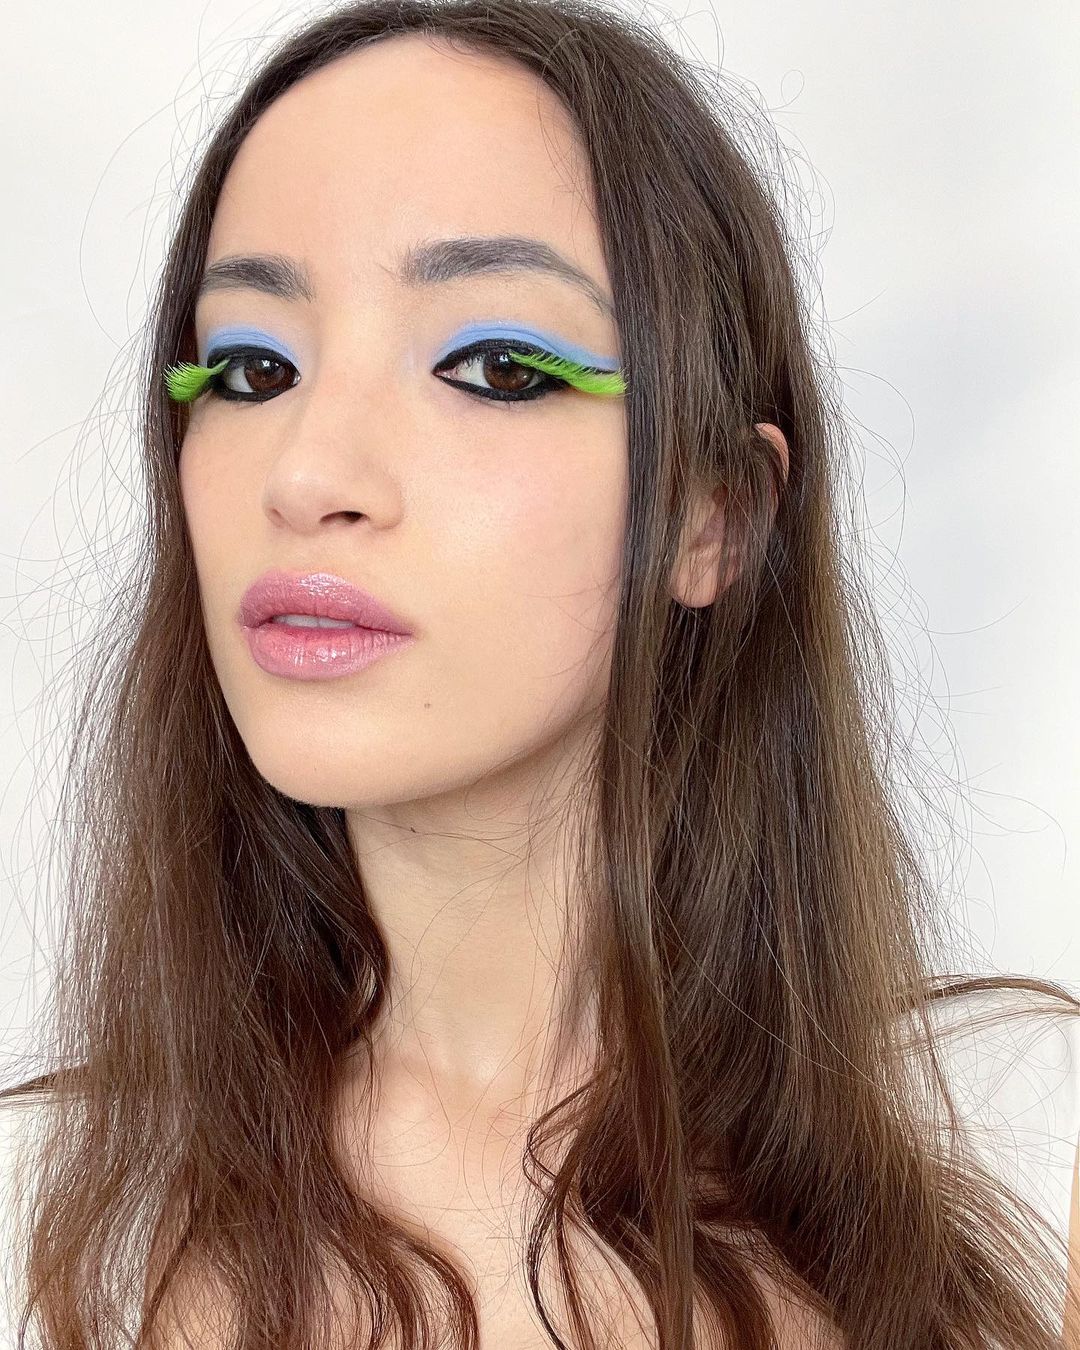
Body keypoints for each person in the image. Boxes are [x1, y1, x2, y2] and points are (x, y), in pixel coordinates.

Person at [1, 1, 1077, 1346]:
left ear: (713, 513)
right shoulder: (38, 1218)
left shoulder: (1028, 1147)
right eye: (251, 367)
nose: (306, 473)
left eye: (495, 365)